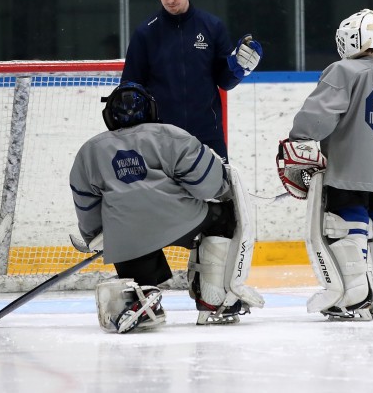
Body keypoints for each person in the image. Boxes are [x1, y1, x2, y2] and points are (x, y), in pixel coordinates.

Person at [70, 82, 264, 333]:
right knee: (222, 217)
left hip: (127, 235)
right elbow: (208, 187)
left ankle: (143, 294)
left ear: (108, 116)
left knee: (132, 249)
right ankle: (213, 299)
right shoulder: (171, 135)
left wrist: (95, 235)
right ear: (151, 110)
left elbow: (86, 205)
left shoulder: (89, 151)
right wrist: (220, 186)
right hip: (182, 221)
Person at [279, 9, 373, 320]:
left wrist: (298, 137)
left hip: (346, 171)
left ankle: (354, 294)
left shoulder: (342, 71)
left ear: (350, 39)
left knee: (347, 223)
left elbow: (316, 118)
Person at [120, 0, 263, 162]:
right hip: (161, 138)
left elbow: (224, 81)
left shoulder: (213, 27)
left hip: (208, 136)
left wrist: (240, 68)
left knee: (220, 193)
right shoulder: (145, 33)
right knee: (164, 195)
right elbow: (130, 84)